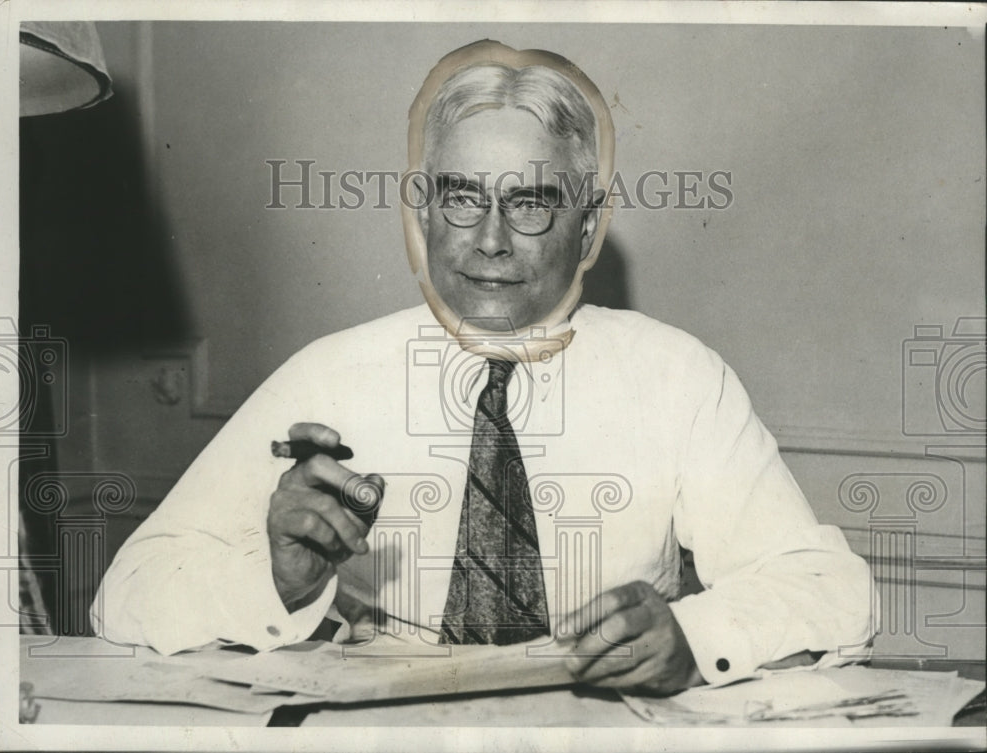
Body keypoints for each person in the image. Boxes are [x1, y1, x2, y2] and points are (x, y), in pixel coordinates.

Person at [92, 40, 874, 695]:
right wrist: (277, 582)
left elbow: (833, 591)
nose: (491, 240)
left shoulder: (679, 377)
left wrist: (696, 637)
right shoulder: (326, 377)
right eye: (462, 198)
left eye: (531, 203)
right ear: (421, 212)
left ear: (589, 224)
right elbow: (123, 598)